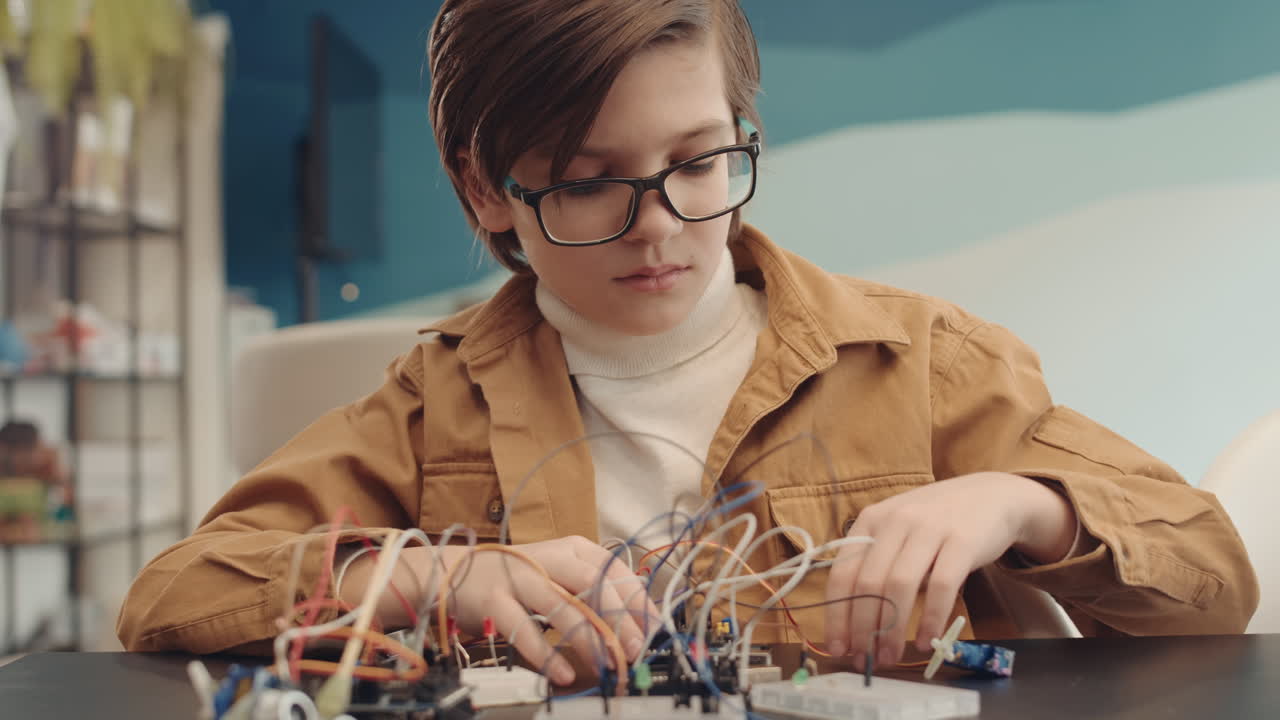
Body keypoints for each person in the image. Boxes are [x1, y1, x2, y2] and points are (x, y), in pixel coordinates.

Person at [117, 0, 1257, 687]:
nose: (660, 225)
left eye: (700, 162)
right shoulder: (430, 407)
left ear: (740, 135)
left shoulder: (926, 362)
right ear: (486, 190)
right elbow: (170, 596)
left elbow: (1209, 580)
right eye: (586, 181)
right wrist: (430, 573)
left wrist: (1018, 505)